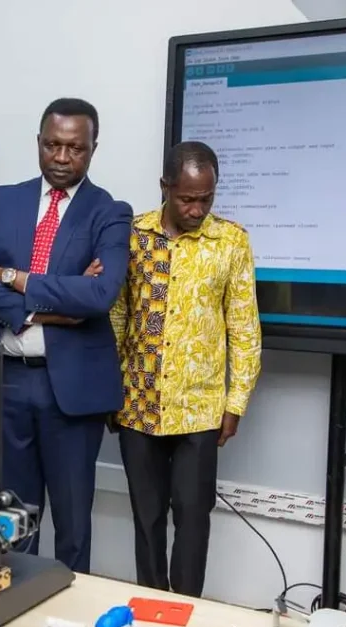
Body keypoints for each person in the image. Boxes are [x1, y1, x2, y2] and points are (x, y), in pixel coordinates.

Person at [0, 98, 132, 573]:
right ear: (39, 142)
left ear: (93, 149)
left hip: (72, 391)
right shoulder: (3, 200)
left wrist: (14, 277)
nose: (61, 157)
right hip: (6, 381)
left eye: (74, 148)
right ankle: (18, 613)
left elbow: (99, 295)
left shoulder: (110, 212)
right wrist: (43, 313)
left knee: (73, 526)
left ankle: (71, 626)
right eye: (52, 145)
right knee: (12, 520)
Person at [109, 141, 261, 598]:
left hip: (200, 408)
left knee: (193, 518)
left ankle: (189, 610)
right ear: (165, 188)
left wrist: (235, 403)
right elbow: (117, 316)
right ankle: (154, 606)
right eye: (187, 198)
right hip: (138, 401)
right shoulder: (133, 235)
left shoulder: (231, 241)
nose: (197, 209)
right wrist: (108, 391)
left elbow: (245, 328)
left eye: (206, 199)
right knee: (147, 518)